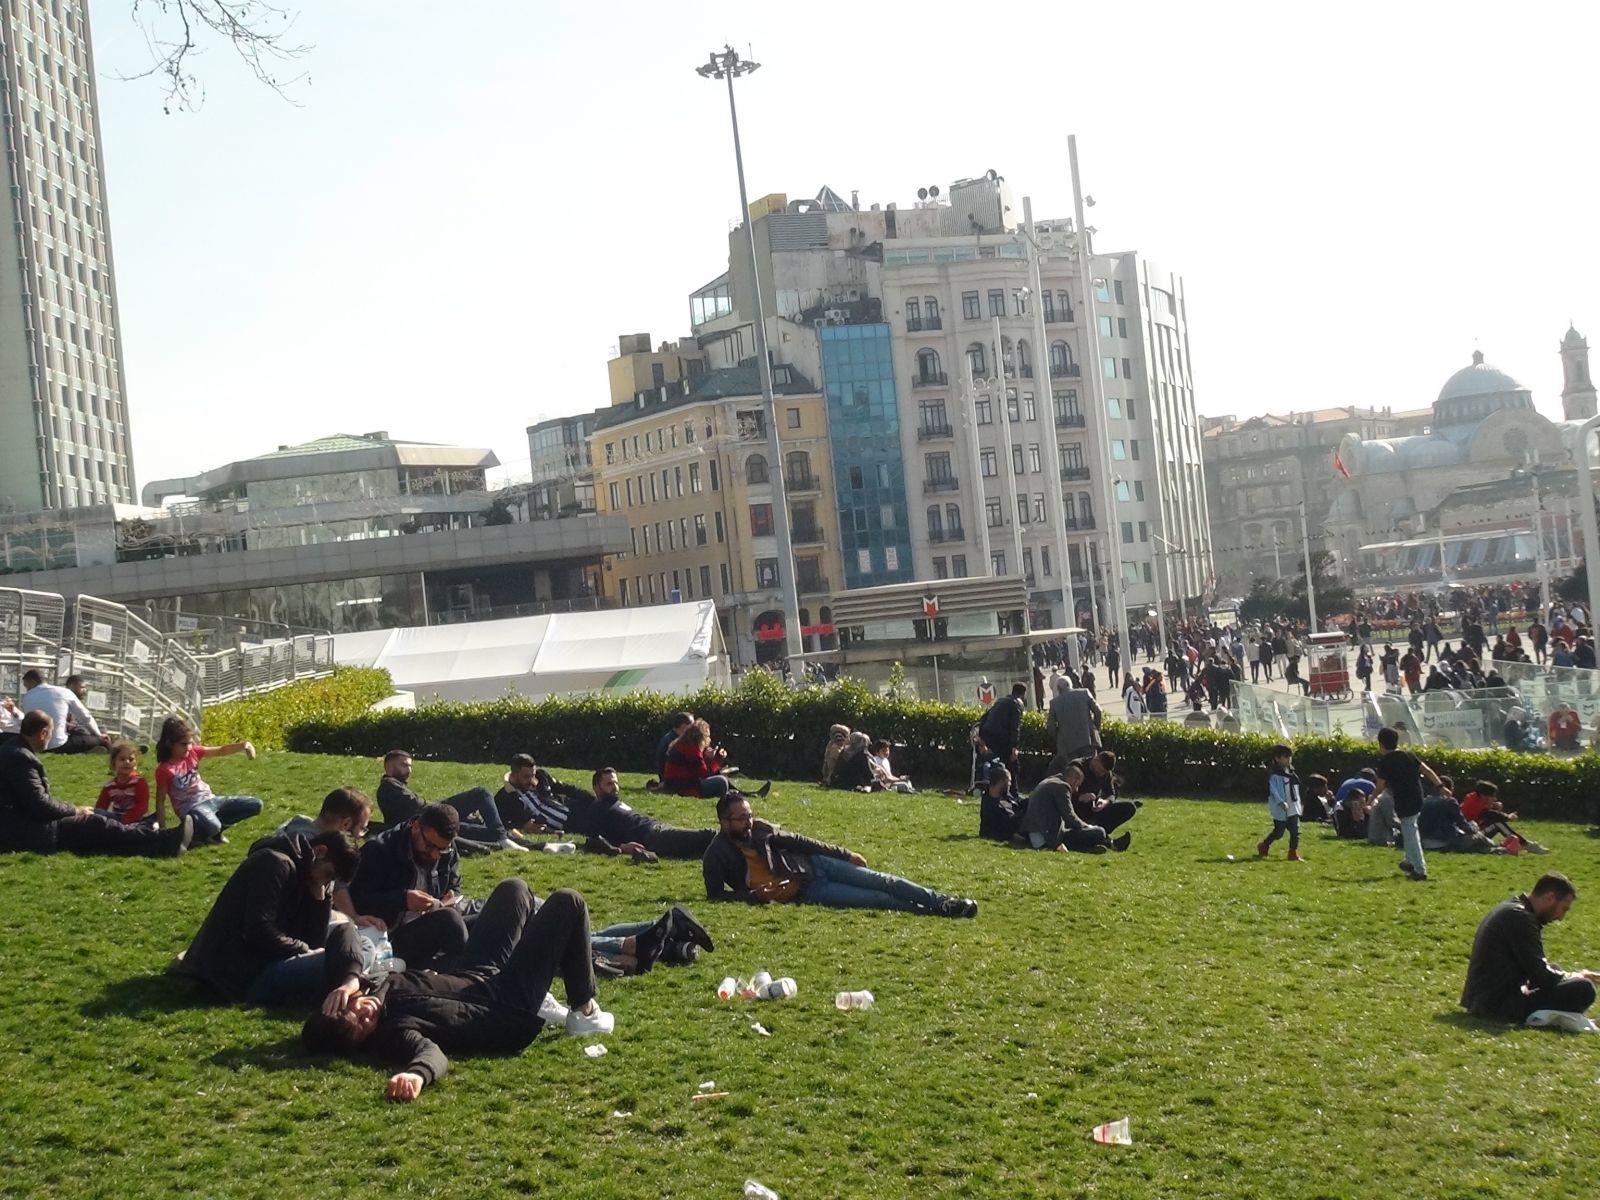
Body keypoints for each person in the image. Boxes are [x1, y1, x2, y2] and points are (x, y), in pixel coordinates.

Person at [302, 879, 616, 1102]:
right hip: (505, 1005)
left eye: (352, 1010)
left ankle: (546, 976)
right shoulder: (393, 1032)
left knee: (514, 890)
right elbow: (431, 1054)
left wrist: (349, 979)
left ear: (337, 1003)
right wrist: (416, 1076)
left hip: (474, 973)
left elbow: (344, 931)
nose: (364, 1015)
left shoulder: (353, 988)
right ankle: (584, 1010)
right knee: (567, 902)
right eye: (361, 1029)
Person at [703, 793, 977, 917]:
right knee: (879, 899)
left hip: (817, 865)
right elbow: (715, 896)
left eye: (749, 815)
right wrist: (753, 896)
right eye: (741, 819)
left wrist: (845, 855)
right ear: (724, 822)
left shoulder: (760, 830)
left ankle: (941, 902)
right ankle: (929, 911)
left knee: (884, 881)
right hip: (810, 892)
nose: (748, 823)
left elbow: (800, 841)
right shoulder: (716, 855)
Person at [175, 830, 362, 1006]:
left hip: (263, 962)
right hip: (243, 973)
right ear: (320, 851)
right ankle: (355, 982)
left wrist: (318, 901)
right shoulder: (274, 864)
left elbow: (314, 941)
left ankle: (352, 981)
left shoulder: (308, 877)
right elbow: (258, 931)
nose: (325, 882)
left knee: (354, 945)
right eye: (328, 875)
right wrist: (304, 949)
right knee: (341, 954)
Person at [0, 711, 193, 856]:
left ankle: (159, 845)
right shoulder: (20, 758)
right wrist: (74, 810)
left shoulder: (14, 750)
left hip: (22, 827)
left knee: (100, 836)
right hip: (26, 832)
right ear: (42, 734)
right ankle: (164, 840)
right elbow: (39, 804)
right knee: (94, 823)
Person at [347, 803, 479, 969]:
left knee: (489, 914)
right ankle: (468, 971)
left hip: (431, 920)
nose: (435, 854)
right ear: (416, 827)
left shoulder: (447, 850)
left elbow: (454, 883)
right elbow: (358, 900)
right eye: (430, 846)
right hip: (390, 937)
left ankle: (461, 965)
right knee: (449, 920)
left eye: (441, 849)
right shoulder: (380, 850)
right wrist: (402, 900)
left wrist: (450, 896)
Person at [1461, 873, 1599, 1029]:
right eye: (1563, 909)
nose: (1560, 917)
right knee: (1584, 989)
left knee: (1556, 970)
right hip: (1497, 1005)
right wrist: (1577, 975)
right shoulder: (1521, 918)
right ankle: (1578, 1021)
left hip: (1484, 998)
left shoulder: (1512, 908)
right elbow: (1542, 976)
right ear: (1550, 898)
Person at [508, 766, 719, 861]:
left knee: (704, 847)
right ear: (597, 788)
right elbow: (592, 841)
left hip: (657, 826)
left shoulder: (614, 801)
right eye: (609, 784)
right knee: (707, 836)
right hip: (652, 836)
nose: (615, 787)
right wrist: (620, 848)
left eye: (616, 783)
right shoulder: (597, 810)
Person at [375, 749, 525, 852]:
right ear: (389, 766)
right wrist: (440, 804)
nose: (409, 770)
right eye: (404, 765)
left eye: (410, 766)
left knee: (478, 827)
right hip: (429, 817)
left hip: (428, 818)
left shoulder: (394, 786)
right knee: (481, 793)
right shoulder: (389, 786)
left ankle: (522, 842)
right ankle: (503, 838)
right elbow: (417, 805)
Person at [153, 716, 263, 845]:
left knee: (255, 804)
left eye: (190, 743)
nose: (188, 747)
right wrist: (162, 828)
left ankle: (209, 833)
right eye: (183, 744)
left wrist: (244, 745)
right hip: (191, 808)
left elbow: (221, 750)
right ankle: (191, 832)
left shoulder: (194, 753)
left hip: (211, 799)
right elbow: (160, 801)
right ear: (169, 743)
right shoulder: (165, 769)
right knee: (213, 825)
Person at [1018, 765, 1129, 854]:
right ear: (1074, 780)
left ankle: (1106, 844)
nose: (1076, 789)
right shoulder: (1062, 787)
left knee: (1086, 831)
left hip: (1036, 831)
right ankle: (1102, 844)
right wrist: (1087, 827)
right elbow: (1069, 816)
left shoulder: (1049, 781)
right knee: (1099, 831)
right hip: (1047, 836)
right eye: (1077, 785)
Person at [1376, 725, 1439, 881]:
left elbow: (1380, 785)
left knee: (1410, 832)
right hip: (1417, 796)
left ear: (1381, 744)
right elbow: (1427, 771)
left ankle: (1419, 868)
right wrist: (1440, 786)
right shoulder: (1409, 755)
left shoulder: (1385, 761)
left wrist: (1371, 799)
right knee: (1409, 828)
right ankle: (1409, 861)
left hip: (1404, 800)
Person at [18, 669, 107, 753]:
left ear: (32, 682)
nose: (27, 689)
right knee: (99, 738)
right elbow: (85, 717)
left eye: (27, 686)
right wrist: (99, 734)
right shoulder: (64, 692)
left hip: (35, 745)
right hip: (58, 744)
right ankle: (106, 750)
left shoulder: (26, 698)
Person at [1459, 781, 1549, 854]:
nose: (1495, 799)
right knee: (1498, 824)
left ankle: (1524, 844)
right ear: (1484, 796)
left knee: (1496, 823)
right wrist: (1508, 817)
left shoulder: (1473, 798)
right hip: (1469, 837)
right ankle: (1527, 845)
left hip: (1470, 833)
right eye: (1493, 796)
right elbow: (1490, 814)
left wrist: (1493, 806)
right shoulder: (1473, 803)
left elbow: (1484, 813)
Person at [1068, 751, 1139, 835]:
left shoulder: (1106, 774)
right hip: (1076, 808)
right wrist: (1079, 796)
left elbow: (1112, 794)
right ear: (1096, 760)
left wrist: (1105, 802)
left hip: (1095, 809)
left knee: (1129, 807)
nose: (1101, 774)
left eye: (1104, 772)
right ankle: (1100, 837)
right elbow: (1063, 790)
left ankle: (1101, 834)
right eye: (1100, 770)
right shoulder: (1077, 766)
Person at [1255, 744, 1304, 862]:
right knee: (1279, 832)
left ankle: (1293, 853)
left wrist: (1299, 804)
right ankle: (1264, 844)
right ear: (1277, 759)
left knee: (1295, 831)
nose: (1289, 759)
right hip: (1281, 808)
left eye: (1290, 757)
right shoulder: (1275, 775)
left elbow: (1297, 790)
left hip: (1293, 806)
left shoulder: (1292, 773)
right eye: (1285, 757)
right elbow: (1274, 790)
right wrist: (1280, 802)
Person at [1046, 677, 1102, 769]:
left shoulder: (1054, 703)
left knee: (1073, 772)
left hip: (1067, 745)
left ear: (1059, 689)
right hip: (1088, 739)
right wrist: (1096, 728)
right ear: (1070, 684)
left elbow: (1051, 727)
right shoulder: (1084, 693)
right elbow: (1098, 711)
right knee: (1091, 768)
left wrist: (1059, 736)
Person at [1419, 790, 1497, 854]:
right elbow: (1463, 825)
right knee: (1479, 837)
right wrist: (1474, 828)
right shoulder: (1450, 801)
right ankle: (1495, 847)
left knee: (1475, 846)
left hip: (1425, 842)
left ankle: (1491, 849)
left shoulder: (1424, 801)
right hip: (1446, 841)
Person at [95, 739, 150, 825]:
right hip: (117, 818)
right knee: (97, 812)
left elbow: (142, 807)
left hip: (137, 820)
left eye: (131, 759)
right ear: (113, 763)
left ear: (135, 764)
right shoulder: (110, 786)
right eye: (122, 759)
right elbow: (101, 806)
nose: (127, 762)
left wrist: (126, 820)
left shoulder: (139, 783)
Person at [977, 683, 1027, 767]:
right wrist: (1014, 747)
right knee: (1011, 764)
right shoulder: (1017, 704)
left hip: (988, 735)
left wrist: (982, 738)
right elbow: (1015, 727)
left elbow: (984, 717)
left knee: (992, 762)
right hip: (1001, 738)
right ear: (1024, 694)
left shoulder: (1000, 700)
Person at [646, 711, 695, 790]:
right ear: (683, 726)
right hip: (672, 779)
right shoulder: (674, 742)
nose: (694, 728)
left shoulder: (670, 737)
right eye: (692, 725)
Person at [977, 765, 1024, 842]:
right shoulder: (990, 806)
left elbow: (1018, 802)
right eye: (1009, 781)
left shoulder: (1005, 795)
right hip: (1016, 829)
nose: (1010, 784)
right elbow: (986, 833)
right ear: (1001, 782)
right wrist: (1011, 836)